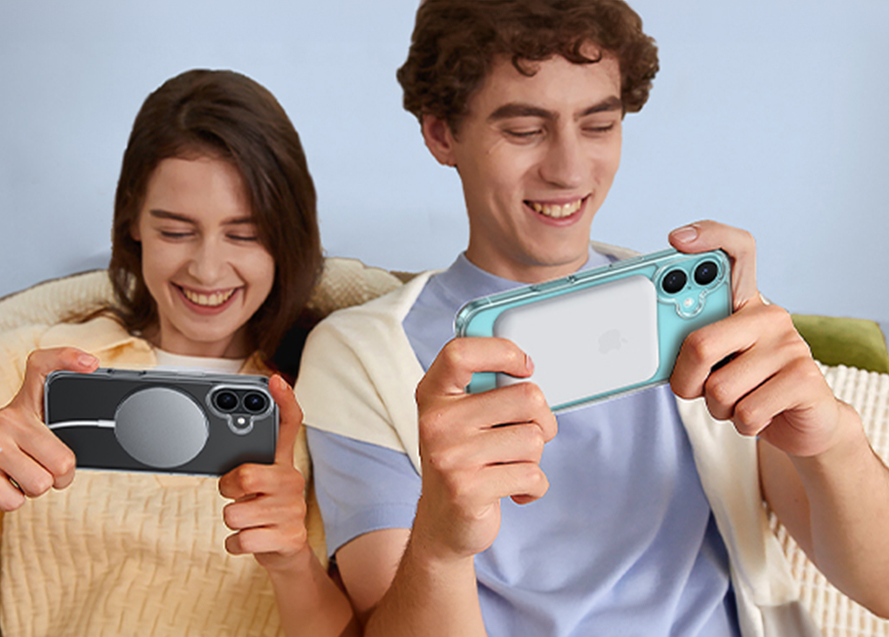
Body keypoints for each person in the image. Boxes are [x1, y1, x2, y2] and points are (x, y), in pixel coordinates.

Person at [295, 1, 889, 636]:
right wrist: (440, 544)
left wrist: (832, 438)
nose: (570, 170)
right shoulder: (362, 355)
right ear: (442, 135)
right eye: (525, 130)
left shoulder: (699, 310)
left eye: (599, 124)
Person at [0, 69, 357, 637]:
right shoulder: (40, 366)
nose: (208, 270)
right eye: (176, 231)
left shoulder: (327, 389)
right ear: (133, 221)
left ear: (288, 235)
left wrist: (292, 563)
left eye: (244, 234)